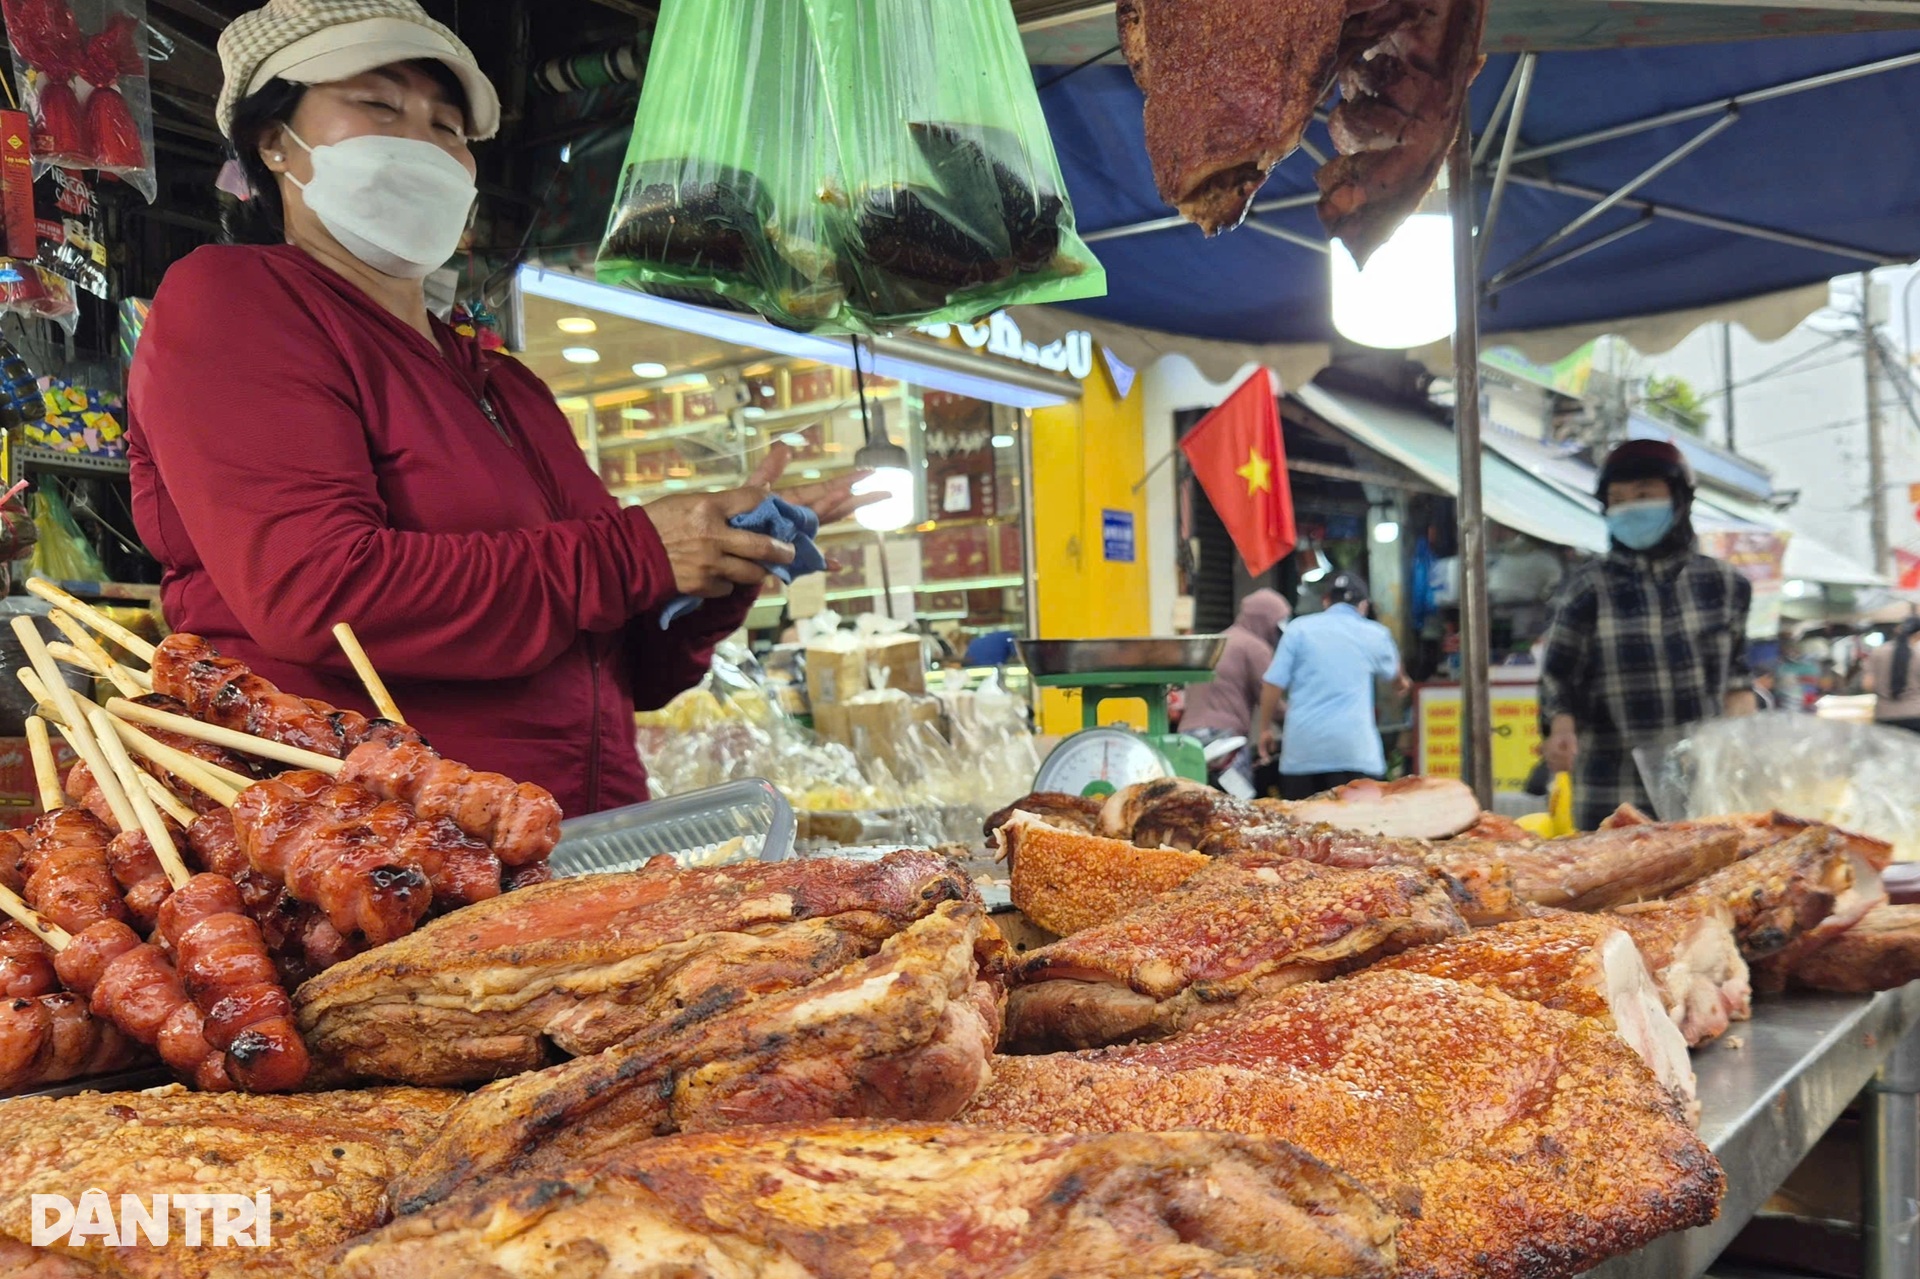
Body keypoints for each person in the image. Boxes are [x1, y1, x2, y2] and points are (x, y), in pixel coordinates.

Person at [126, 0, 868, 816]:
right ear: (273, 141)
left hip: (579, 840)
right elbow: (319, 593)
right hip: (378, 846)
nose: (422, 142)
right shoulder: (236, 301)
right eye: (378, 105)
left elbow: (625, 669)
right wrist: (636, 553)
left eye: (448, 128)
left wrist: (720, 563)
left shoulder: (509, 387)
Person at [1538, 439, 1755, 830]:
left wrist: (1747, 749)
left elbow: (1736, 684)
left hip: (1703, 787)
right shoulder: (1587, 588)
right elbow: (1558, 678)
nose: (1630, 508)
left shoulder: (1725, 584)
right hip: (1611, 788)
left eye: (1643, 495)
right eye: (1618, 500)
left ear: (1679, 500)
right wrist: (1560, 729)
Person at [1256, 572, 1409, 800]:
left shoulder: (1298, 629)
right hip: (1355, 754)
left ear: (1326, 601)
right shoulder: (1376, 634)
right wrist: (1402, 683)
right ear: (1363, 605)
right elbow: (1396, 678)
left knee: (1301, 821)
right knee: (1360, 823)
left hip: (1303, 754)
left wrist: (1264, 729)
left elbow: (1272, 682)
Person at [1865, 616, 1920, 733]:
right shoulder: (1918, 653)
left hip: (1884, 715)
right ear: (1918, 634)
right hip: (1915, 714)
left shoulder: (1878, 652)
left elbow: (1868, 684)